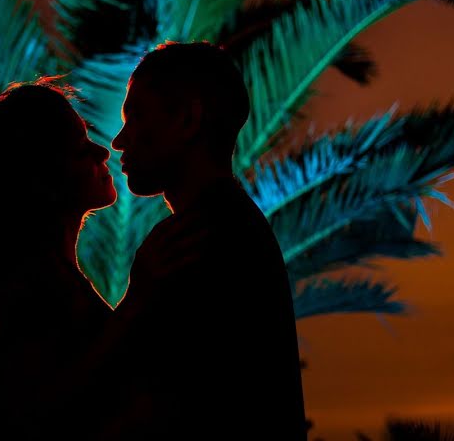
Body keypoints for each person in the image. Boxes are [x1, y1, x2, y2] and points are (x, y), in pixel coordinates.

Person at [103, 41, 307, 439]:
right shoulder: (234, 227)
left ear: (188, 120)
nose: (119, 141)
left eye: (137, 117)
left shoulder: (194, 244)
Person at [0, 77, 117, 439]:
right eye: (80, 148)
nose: (102, 152)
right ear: (41, 178)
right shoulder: (28, 287)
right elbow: (43, 410)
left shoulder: (43, 277)